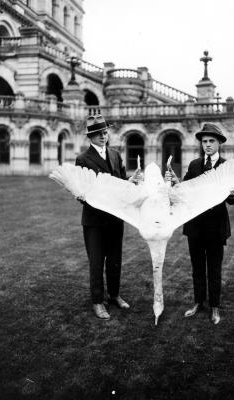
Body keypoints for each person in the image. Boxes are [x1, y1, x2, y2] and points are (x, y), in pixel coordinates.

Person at [165, 123, 234, 325]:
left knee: (214, 269)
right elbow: (185, 191)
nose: (207, 145)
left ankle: (215, 307)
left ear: (219, 143)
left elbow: (231, 200)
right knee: (197, 268)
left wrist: (233, 195)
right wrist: (175, 181)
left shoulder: (227, 167)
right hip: (195, 227)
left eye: (211, 141)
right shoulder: (194, 165)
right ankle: (198, 302)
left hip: (216, 227)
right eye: (204, 141)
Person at [75, 114, 142, 320]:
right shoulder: (83, 159)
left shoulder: (115, 155)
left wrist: (131, 181)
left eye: (104, 132)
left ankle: (114, 295)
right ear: (90, 137)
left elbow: (121, 184)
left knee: (115, 260)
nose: (103, 136)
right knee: (96, 262)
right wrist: (90, 197)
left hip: (115, 218)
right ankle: (97, 302)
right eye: (98, 133)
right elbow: (83, 193)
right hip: (94, 221)